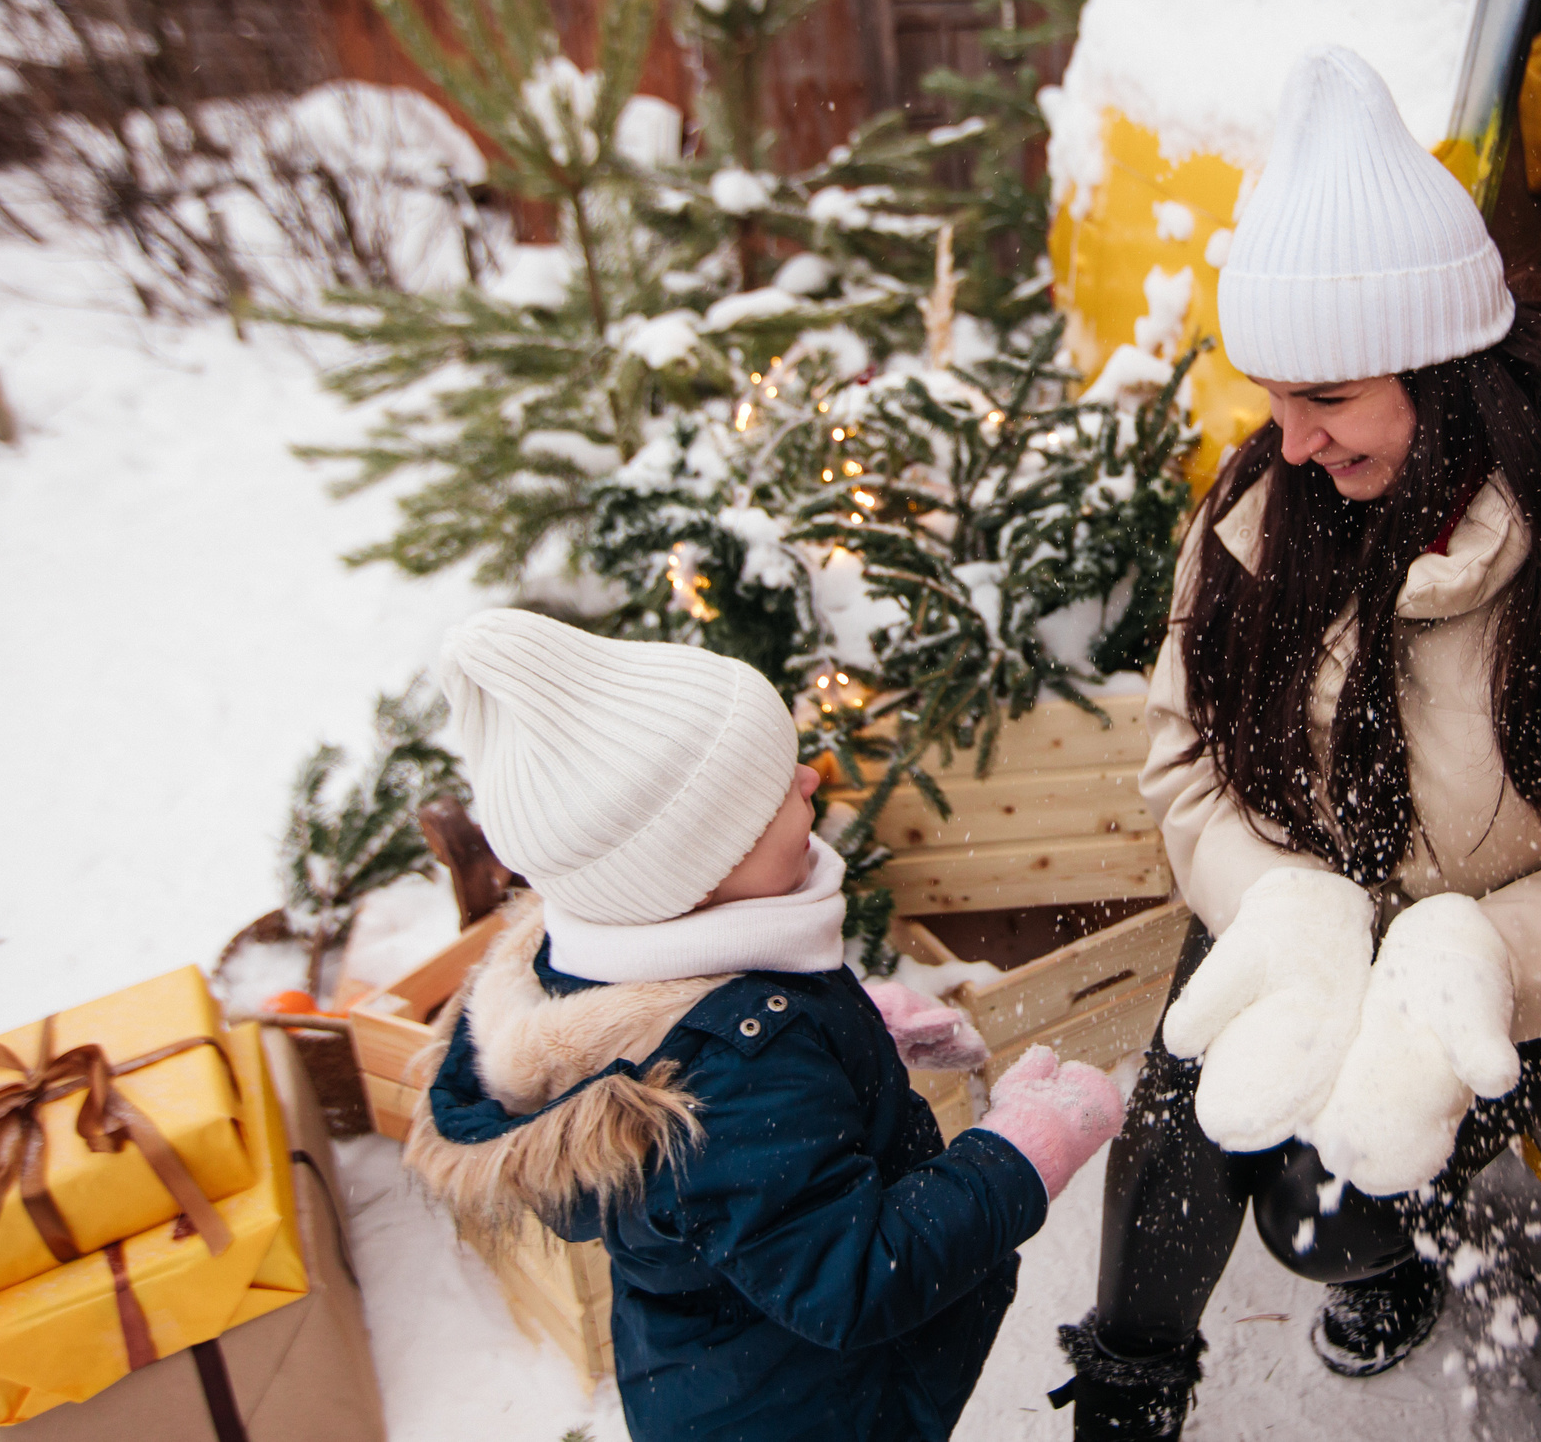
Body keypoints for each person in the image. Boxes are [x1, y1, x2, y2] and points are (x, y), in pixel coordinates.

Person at [1052, 46, 1541, 1438]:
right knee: (1185, 1130)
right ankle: (1127, 1383)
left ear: (1449, 367)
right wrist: (1275, 906)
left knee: (1325, 1210)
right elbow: (1185, 753)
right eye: (1273, 395)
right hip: (1316, 895)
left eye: (1325, 396)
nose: (1290, 440)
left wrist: (1485, 957)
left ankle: (1384, 1255)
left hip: (1510, 941)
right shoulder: (1273, 503)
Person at [406, 608, 1125, 1442]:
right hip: (813, 1414)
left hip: (723, 1385)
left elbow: (728, 1122)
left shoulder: (614, 983)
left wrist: (848, 1034)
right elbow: (853, 1278)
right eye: (778, 784)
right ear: (701, 864)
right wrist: (1018, 1153)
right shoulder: (731, 1070)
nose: (814, 778)